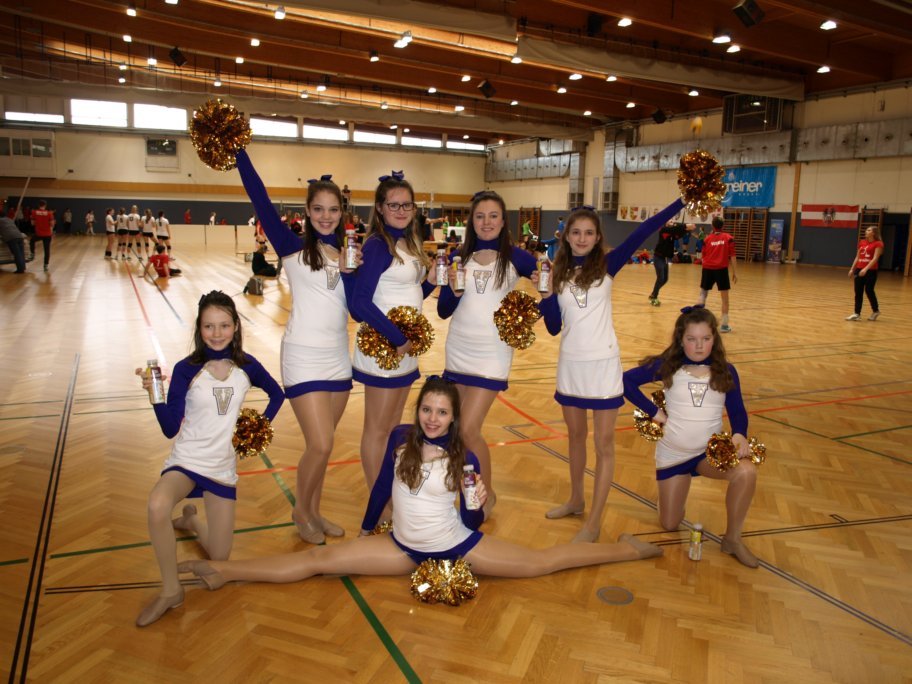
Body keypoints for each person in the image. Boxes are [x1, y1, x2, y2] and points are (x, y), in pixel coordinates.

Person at [176, 377, 662, 598]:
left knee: (542, 563)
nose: (432, 418)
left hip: (457, 546)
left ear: (453, 418)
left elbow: (472, 520)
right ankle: (225, 571)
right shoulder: (399, 440)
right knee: (317, 562)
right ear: (419, 411)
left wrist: (478, 501)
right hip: (401, 548)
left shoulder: (465, 459)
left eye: (442, 412)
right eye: (427, 409)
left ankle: (627, 550)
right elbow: (380, 490)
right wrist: (368, 529)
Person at [134, 290, 284, 626]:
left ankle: (190, 522)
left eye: (224, 325)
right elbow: (170, 429)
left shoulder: (247, 366)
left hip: (221, 468)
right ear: (199, 328)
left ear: (236, 326)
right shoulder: (186, 369)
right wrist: (155, 397)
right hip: (187, 461)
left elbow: (277, 394)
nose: (217, 333)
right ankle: (171, 590)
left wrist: (256, 430)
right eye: (208, 326)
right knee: (157, 504)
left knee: (219, 558)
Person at [538, 200, 685, 542]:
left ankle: (594, 522)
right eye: (576, 232)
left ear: (597, 237)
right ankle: (576, 499)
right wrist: (545, 295)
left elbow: (645, 229)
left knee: (604, 444)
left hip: (604, 366)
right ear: (566, 236)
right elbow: (554, 328)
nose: (582, 238)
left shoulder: (608, 264)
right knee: (575, 437)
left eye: (589, 233)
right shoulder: (556, 272)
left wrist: (681, 202)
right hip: (570, 366)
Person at [237, 152, 361, 545]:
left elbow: (358, 305)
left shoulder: (349, 254)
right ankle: (301, 512)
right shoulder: (291, 246)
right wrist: (239, 152)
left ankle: (315, 511)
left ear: (342, 213)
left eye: (333, 210)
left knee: (323, 447)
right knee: (320, 443)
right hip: (303, 356)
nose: (326, 216)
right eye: (318, 209)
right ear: (307, 211)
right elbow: (259, 198)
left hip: (338, 358)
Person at [623, 306, 758, 568]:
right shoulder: (667, 366)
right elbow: (625, 381)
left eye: (706, 339)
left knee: (746, 472)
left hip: (708, 454)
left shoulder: (725, 370)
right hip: (673, 455)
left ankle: (732, 539)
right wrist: (655, 413)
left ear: (714, 339)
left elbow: (737, 410)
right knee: (670, 523)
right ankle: (671, 495)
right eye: (691, 339)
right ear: (680, 339)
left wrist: (740, 434)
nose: (699, 346)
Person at [437, 190, 538, 515]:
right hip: (459, 350)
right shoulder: (459, 256)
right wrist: (452, 290)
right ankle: (467, 491)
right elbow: (443, 310)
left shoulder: (517, 257)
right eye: (480, 216)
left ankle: (487, 494)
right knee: (457, 429)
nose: (486, 222)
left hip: (492, 354)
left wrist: (534, 308)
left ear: (503, 220)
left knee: (468, 429)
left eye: (493, 216)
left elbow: (550, 283)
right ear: (472, 221)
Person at [350, 172, 437, 499]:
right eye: (394, 205)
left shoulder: (409, 242)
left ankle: (386, 495)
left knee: (391, 429)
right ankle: (378, 504)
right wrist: (397, 338)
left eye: (407, 205)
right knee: (377, 429)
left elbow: (412, 293)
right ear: (380, 208)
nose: (401, 210)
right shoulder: (378, 245)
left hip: (404, 348)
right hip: (384, 348)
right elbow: (360, 303)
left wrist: (432, 282)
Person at [696, 216, 737, 332]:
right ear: (723, 226)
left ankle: (698, 320)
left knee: (703, 294)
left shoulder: (707, 239)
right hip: (721, 270)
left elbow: (703, 256)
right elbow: (733, 256)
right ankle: (724, 325)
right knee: (725, 299)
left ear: (712, 226)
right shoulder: (728, 238)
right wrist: (735, 272)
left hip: (707, 268)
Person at [648, 220, 695, 306]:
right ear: (665, 223)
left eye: (673, 221)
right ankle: (654, 296)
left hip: (665, 259)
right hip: (658, 257)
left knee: (665, 279)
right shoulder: (664, 230)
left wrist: (687, 230)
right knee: (660, 278)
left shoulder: (672, 233)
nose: (672, 222)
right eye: (670, 221)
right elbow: (674, 229)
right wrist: (686, 225)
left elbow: (678, 234)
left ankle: (654, 292)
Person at [846, 225, 884, 321]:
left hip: (871, 271)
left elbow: (875, 258)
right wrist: (852, 269)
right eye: (866, 230)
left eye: (869, 230)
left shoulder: (878, 243)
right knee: (858, 292)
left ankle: (875, 311)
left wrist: (866, 269)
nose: (866, 231)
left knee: (869, 291)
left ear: (873, 233)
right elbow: (857, 257)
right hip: (859, 269)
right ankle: (857, 314)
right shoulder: (862, 242)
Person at [30, 200, 54, 272]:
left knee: (32, 241)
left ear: (38, 205)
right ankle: (45, 266)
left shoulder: (34, 212)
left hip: (39, 234)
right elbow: (52, 224)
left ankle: (32, 254)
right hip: (48, 234)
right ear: (45, 205)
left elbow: (32, 223)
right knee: (47, 250)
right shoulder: (49, 213)